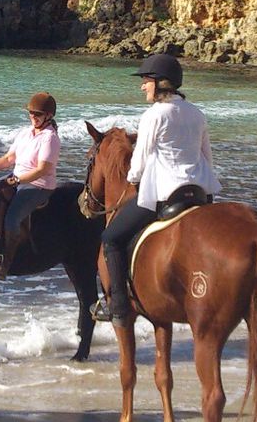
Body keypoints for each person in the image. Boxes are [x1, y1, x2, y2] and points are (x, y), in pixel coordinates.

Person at [93, 53, 221, 322]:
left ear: (161, 83)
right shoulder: (197, 113)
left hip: (166, 196)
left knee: (110, 239)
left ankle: (117, 305)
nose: (142, 86)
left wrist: (134, 182)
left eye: (146, 81)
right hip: (199, 195)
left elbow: (138, 165)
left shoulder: (154, 115)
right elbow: (207, 157)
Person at [0, 92, 60, 279]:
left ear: (48, 116)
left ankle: (5, 263)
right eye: (31, 113)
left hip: (39, 186)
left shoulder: (50, 138)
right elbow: (10, 158)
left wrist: (18, 180)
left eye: (38, 114)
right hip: (17, 179)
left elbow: (42, 169)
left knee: (12, 218)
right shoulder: (25, 133)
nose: (33, 117)